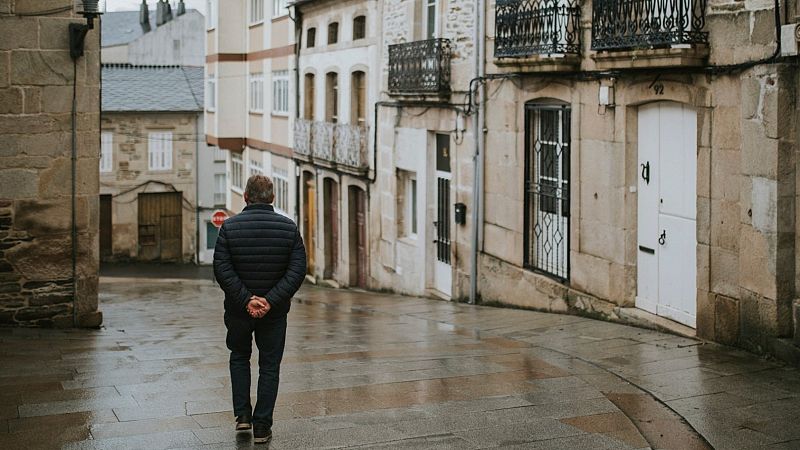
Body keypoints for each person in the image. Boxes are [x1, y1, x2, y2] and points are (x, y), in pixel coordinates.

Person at [213, 174, 307, 444]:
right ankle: (262, 426)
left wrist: (246, 300)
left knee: (239, 356)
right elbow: (297, 269)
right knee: (269, 366)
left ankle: (243, 416)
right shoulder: (288, 228)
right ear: (273, 198)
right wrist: (270, 301)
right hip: (274, 313)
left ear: (245, 197)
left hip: (238, 311)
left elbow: (222, 268)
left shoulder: (229, 229)